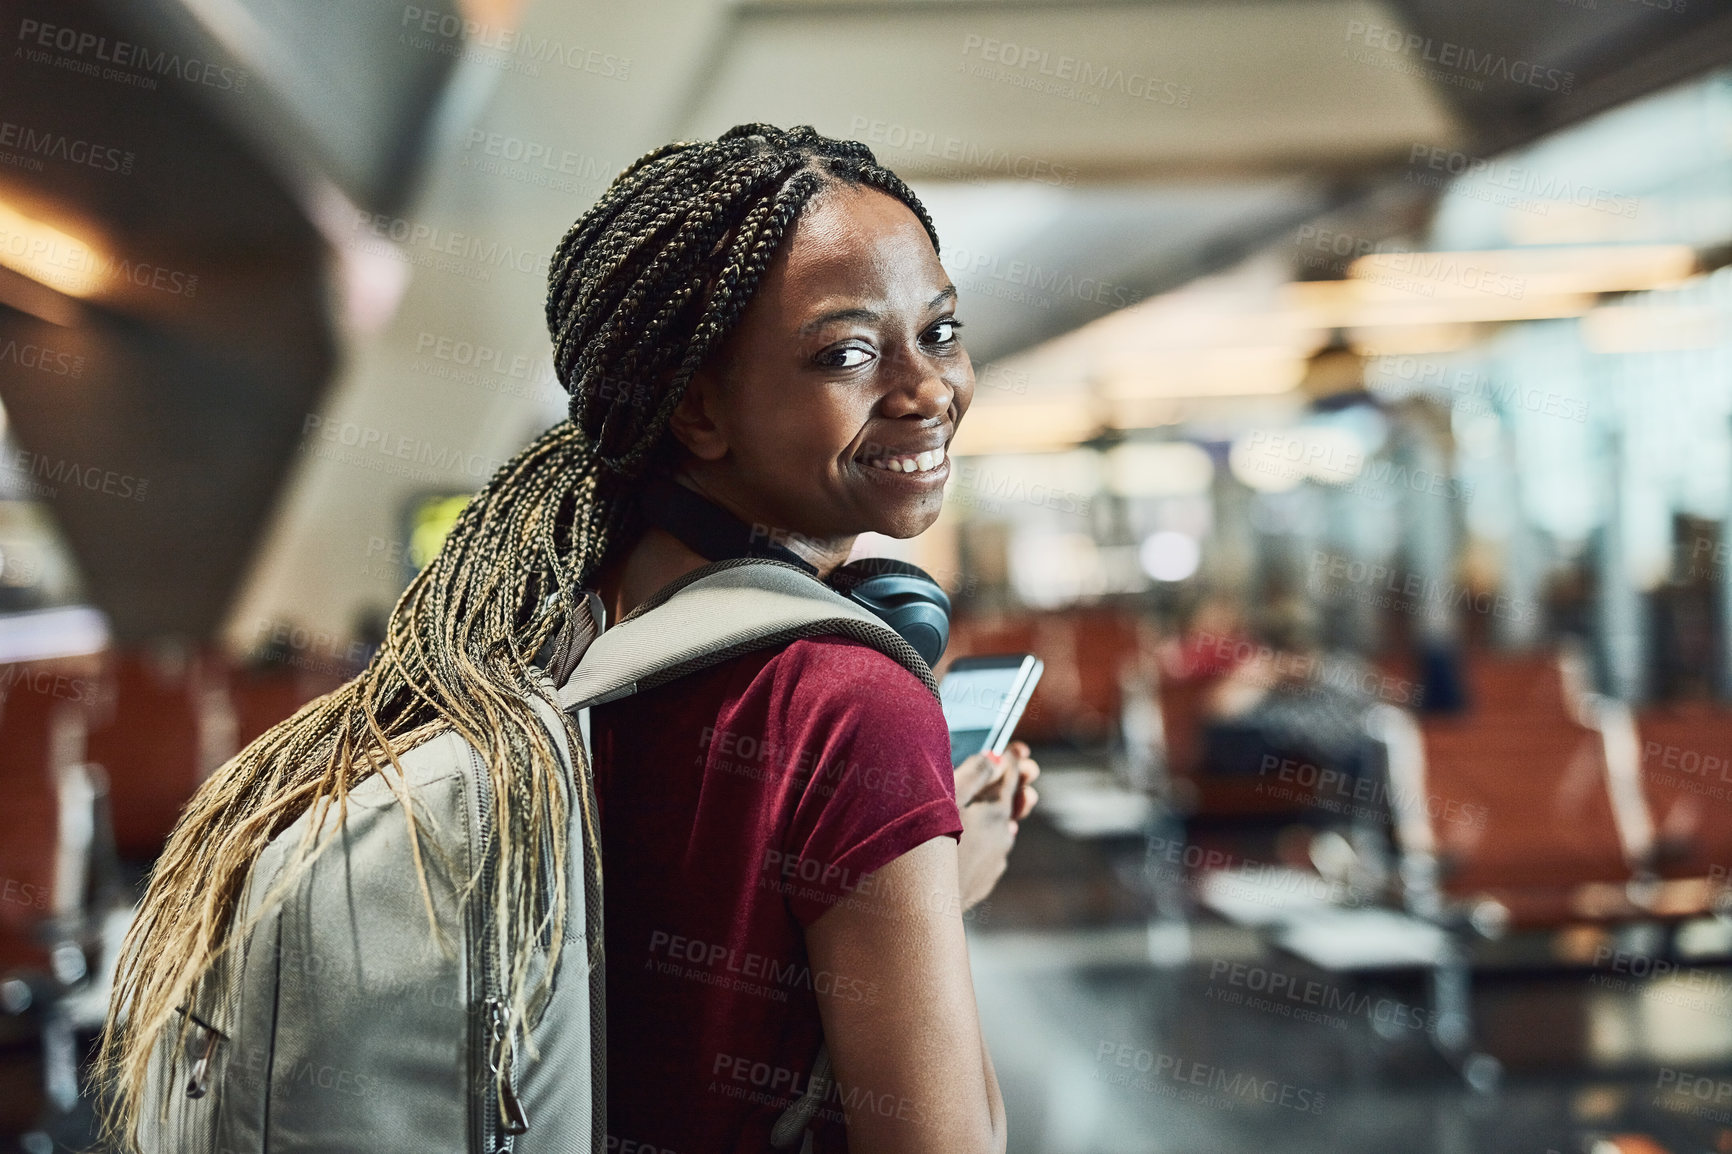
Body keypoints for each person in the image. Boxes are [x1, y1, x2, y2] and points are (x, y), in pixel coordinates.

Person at [98, 124, 1037, 1153]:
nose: (927, 389)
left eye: (940, 332)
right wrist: (931, 898)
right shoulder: (847, 705)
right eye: (846, 352)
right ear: (700, 412)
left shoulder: (544, 647)